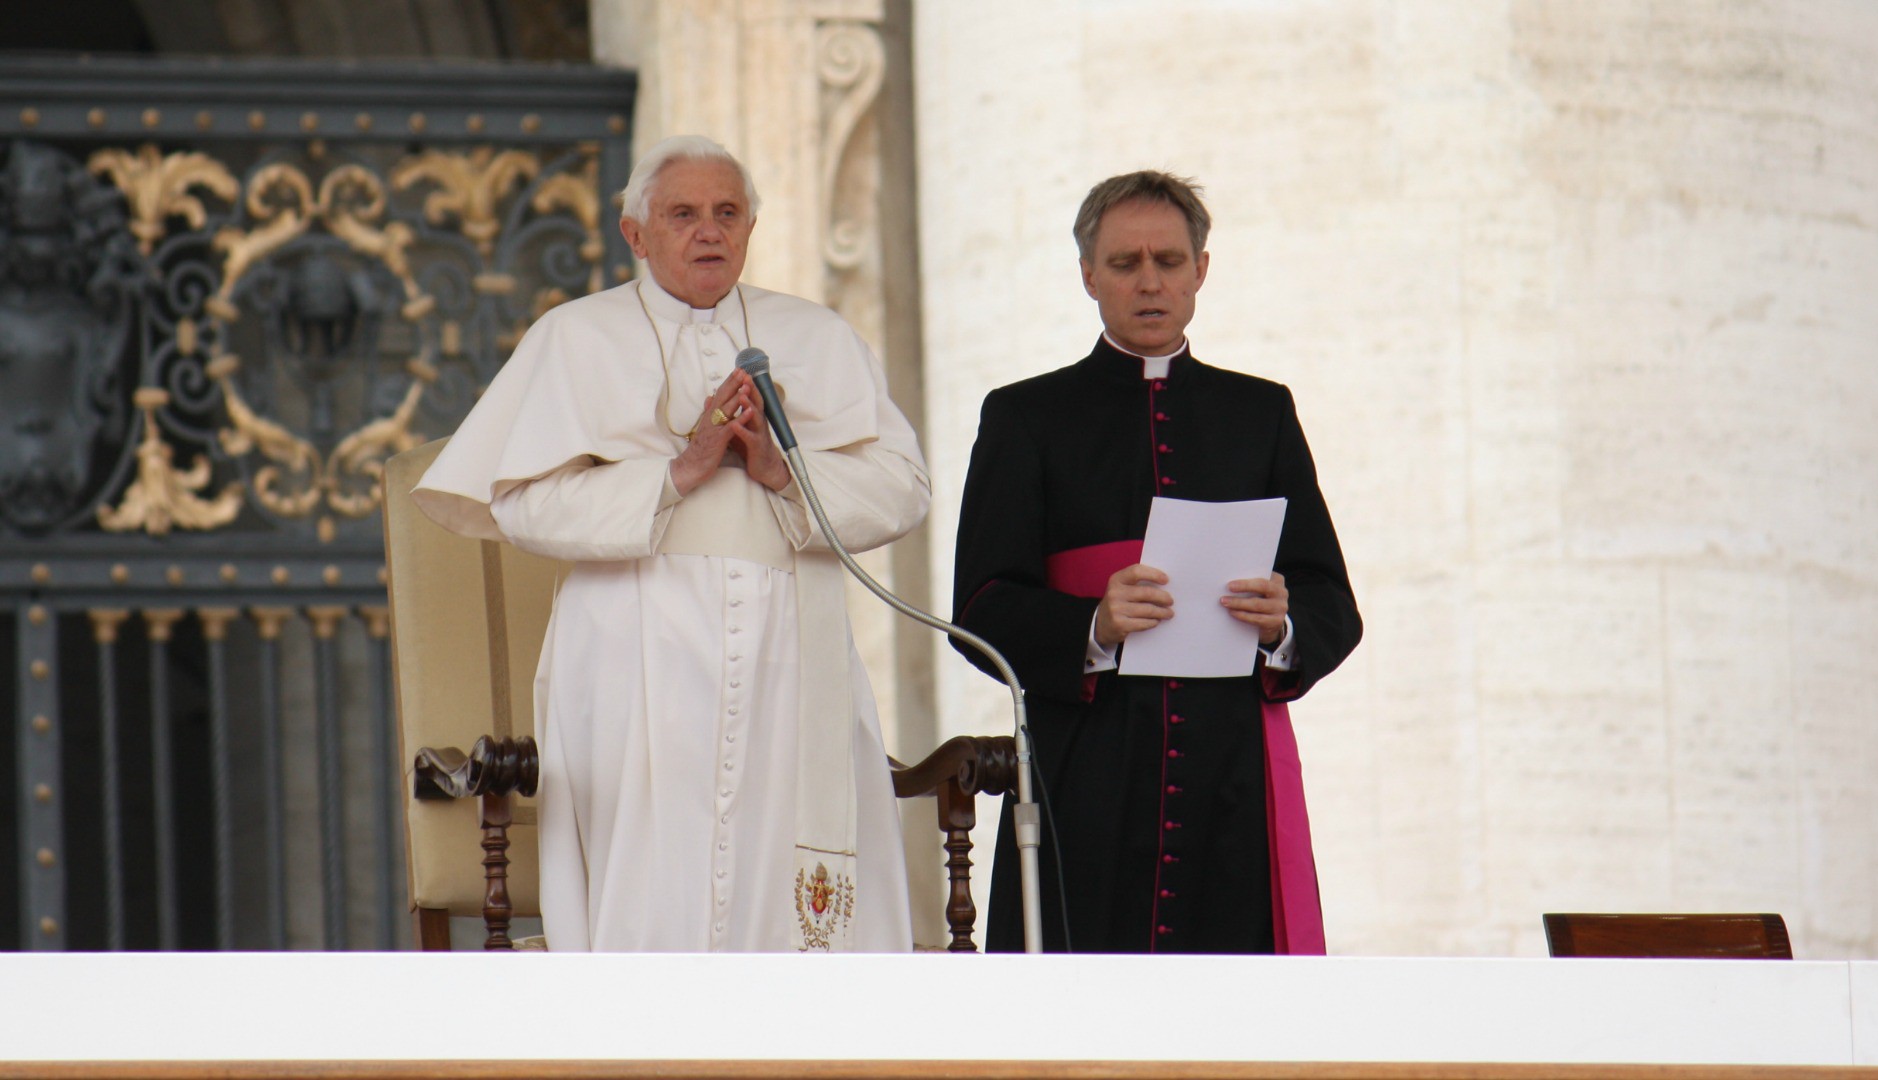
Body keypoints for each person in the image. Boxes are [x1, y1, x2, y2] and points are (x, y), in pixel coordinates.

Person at [412, 135, 929, 952]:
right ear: (635, 233)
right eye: (683, 214)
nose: (708, 232)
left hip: (790, 652)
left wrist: (781, 469)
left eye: (727, 213)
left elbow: (905, 488)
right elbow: (522, 505)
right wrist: (677, 472)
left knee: (787, 867)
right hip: (630, 647)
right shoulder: (575, 338)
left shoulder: (817, 337)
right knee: (649, 867)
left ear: (752, 227)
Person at [950, 171, 1362, 954]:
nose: (1149, 282)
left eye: (1169, 262)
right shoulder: (1025, 416)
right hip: (1086, 774)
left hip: (1230, 777)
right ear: (1087, 276)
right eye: (1125, 263)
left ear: (1201, 271)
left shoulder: (1260, 412)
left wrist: (1284, 626)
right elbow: (979, 609)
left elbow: (1331, 599)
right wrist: (1093, 625)